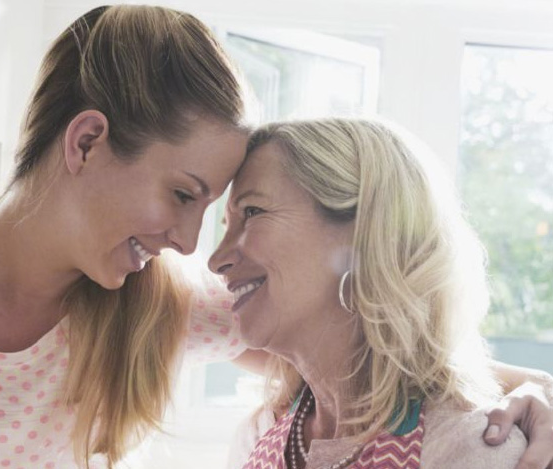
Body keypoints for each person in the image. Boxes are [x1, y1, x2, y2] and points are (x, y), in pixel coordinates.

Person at [0, 5, 551, 469]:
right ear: (88, 141)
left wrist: (542, 395)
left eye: (232, 210)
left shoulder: (157, 298)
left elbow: (380, 345)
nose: (196, 246)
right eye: (185, 194)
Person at [210, 118, 551, 468]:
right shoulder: (258, 434)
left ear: (364, 234)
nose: (215, 260)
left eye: (252, 212)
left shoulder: (474, 447)